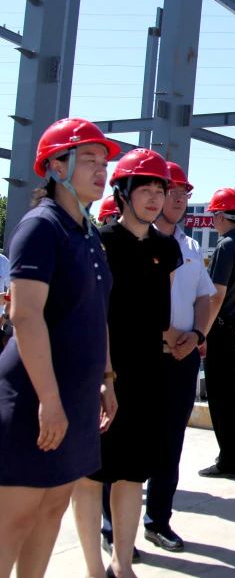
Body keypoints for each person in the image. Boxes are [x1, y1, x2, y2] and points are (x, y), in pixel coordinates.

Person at [0, 118, 119, 578]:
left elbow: (97, 313)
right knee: (15, 518)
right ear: (55, 166)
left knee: (51, 510)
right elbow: (25, 316)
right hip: (34, 395)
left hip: (75, 396)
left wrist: (106, 379)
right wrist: (49, 400)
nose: (100, 169)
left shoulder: (88, 233)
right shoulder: (41, 227)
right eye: (88, 159)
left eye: (103, 161)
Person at [72, 148, 182, 578]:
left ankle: (122, 564)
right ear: (123, 193)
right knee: (91, 474)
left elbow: (161, 312)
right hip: (100, 373)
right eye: (145, 189)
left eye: (160, 189)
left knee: (133, 473)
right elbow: (90, 314)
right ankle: (92, 567)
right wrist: (104, 376)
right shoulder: (98, 242)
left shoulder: (166, 248)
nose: (155, 198)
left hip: (148, 373)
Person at [141, 161, 216, 551]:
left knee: (170, 443)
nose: (179, 199)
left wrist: (197, 334)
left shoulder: (190, 246)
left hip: (183, 359)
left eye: (184, 193)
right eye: (172, 192)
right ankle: (112, 525)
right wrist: (169, 335)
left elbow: (205, 296)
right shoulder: (136, 241)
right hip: (144, 357)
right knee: (131, 441)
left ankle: (158, 520)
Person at [199, 187, 235, 478]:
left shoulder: (226, 246)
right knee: (233, 395)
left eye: (214, 215)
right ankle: (233, 454)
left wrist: (201, 333)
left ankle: (229, 459)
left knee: (220, 397)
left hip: (221, 331)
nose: (213, 221)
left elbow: (216, 295)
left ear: (222, 216)